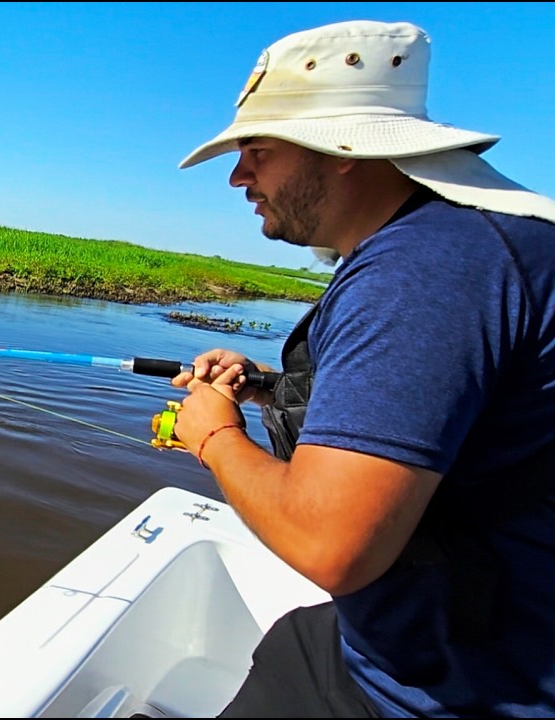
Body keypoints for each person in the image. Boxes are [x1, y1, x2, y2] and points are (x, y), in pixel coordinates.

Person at [168, 19, 555, 718]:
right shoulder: (468, 242)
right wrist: (266, 388)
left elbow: (330, 545)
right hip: (420, 644)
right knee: (294, 638)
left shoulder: (426, 269)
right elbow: (462, 414)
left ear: (340, 147)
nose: (238, 176)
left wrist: (213, 436)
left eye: (257, 149)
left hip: (447, 694)